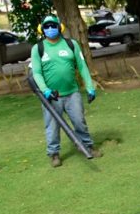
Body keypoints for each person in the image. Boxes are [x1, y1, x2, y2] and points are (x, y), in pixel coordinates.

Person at [31, 15, 101, 167]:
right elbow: (36, 72)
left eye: (53, 25)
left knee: (79, 121)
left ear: (59, 27)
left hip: (72, 93)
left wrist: (90, 87)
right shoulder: (38, 48)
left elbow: (82, 67)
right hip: (51, 96)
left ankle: (87, 146)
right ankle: (54, 154)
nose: (50, 29)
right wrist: (45, 90)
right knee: (52, 126)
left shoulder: (71, 44)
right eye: (47, 26)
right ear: (42, 29)